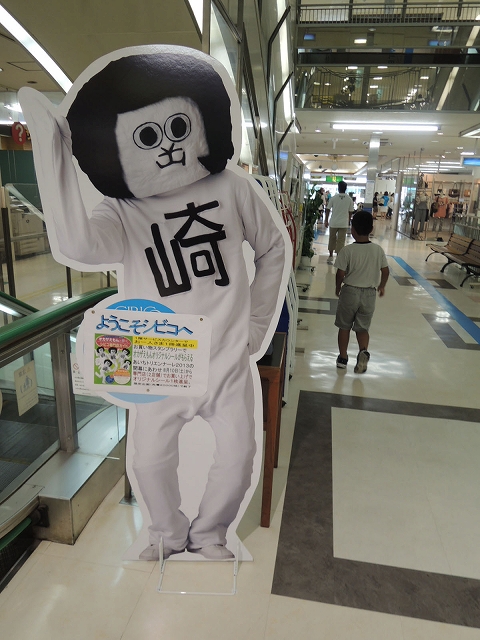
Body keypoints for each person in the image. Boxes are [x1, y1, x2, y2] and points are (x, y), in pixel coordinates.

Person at [20, 47, 289, 562]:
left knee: (239, 458)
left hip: (226, 356)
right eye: (146, 137)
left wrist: (256, 324)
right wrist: (52, 155)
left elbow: (273, 248)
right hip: (159, 357)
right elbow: (78, 246)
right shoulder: (122, 210)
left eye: (177, 128)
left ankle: (209, 534)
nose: (166, 147)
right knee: (147, 463)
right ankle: (166, 533)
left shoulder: (232, 187)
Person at [334, 211, 389, 373]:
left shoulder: (347, 251)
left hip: (350, 292)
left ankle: (343, 358)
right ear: (371, 229)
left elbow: (340, 273)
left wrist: (337, 287)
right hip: (369, 294)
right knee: (363, 328)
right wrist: (382, 286)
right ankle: (362, 351)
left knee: (344, 326)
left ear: (352, 229)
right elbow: (385, 271)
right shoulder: (378, 250)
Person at [324, 180, 354, 264]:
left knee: (332, 238)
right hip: (343, 223)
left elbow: (328, 209)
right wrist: (348, 220)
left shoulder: (333, 198)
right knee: (341, 240)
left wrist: (326, 220)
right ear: (346, 188)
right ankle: (338, 256)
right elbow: (350, 211)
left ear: (338, 188)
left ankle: (330, 256)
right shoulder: (349, 199)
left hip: (333, 222)